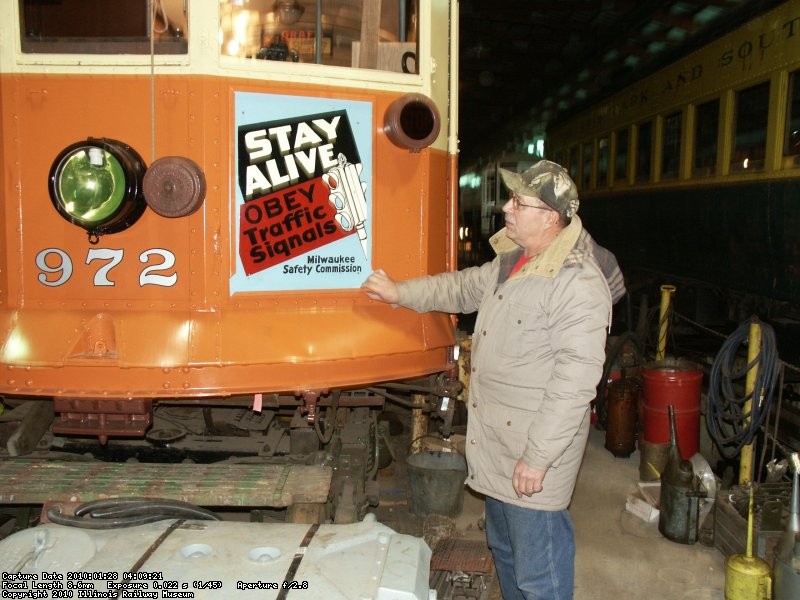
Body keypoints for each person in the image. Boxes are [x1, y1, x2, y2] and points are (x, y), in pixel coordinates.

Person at [362, 160, 618, 599]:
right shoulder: (516, 262)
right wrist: (399, 293)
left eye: (520, 201)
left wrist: (537, 459)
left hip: (532, 461)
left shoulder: (576, 283)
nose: (507, 207)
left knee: (540, 577)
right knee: (506, 555)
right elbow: (459, 288)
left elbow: (575, 384)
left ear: (551, 217)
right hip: (498, 450)